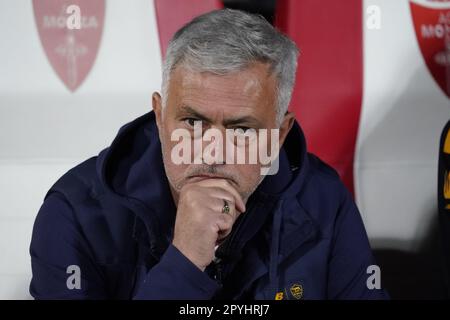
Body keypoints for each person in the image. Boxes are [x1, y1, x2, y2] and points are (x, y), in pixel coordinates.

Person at [29, 9, 388, 300]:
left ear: (279, 135)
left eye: (243, 129)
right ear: (159, 116)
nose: (213, 152)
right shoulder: (75, 211)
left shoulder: (323, 199)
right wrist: (183, 261)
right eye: (192, 122)